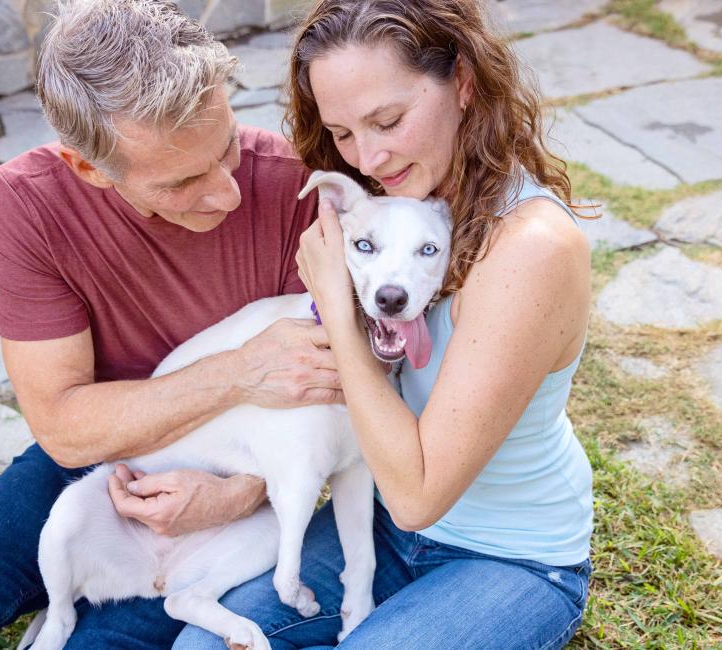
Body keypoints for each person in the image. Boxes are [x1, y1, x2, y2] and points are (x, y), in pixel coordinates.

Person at [0, 1, 341, 647]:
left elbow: (327, 395)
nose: (226, 192)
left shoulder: (296, 187)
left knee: (105, 642)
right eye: (182, 181)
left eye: (226, 147)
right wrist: (239, 371)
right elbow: (65, 427)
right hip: (101, 454)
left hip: (240, 471)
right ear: (88, 169)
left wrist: (243, 494)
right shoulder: (28, 203)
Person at [174, 0, 594, 648]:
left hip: (507, 556)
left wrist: (338, 309)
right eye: (342, 133)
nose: (367, 157)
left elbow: (418, 496)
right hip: (382, 527)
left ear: (463, 81)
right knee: (201, 644)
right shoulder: (389, 216)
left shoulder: (529, 248)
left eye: (388, 120)